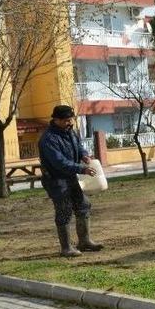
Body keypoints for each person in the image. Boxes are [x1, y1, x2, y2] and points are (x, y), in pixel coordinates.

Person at [38, 105, 104, 257]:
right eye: (67, 120)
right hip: (56, 179)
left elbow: (79, 147)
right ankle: (66, 248)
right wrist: (81, 168)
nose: (70, 122)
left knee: (83, 205)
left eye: (71, 119)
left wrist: (84, 155)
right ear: (57, 120)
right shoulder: (48, 139)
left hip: (71, 176)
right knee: (64, 211)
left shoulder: (70, 132)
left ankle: (85, 241)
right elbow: (59, 162)